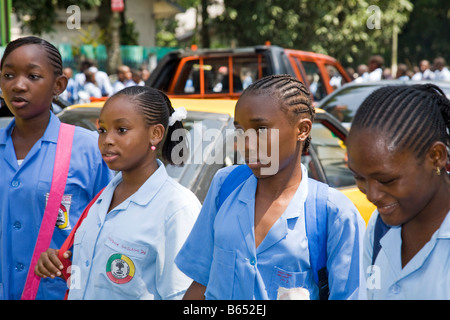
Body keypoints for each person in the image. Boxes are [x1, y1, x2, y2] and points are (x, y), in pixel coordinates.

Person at [175, 74, 366, 300]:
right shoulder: (225, 185)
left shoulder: (334, 213)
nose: (246, 144)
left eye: (261, 130)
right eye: (240, 131)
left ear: (302, 129)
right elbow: (201, 282)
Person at [35, 86, 201, 300]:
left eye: (121, 130)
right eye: (102, 130)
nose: (107, 140)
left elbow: (182, 294)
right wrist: (62, 261)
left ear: (155, 134)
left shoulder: (177, 207)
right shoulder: (102, 198)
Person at [0, 36, 113, 300]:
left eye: (33, 76)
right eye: (8, 75)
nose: (18, 85)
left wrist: (72, 256)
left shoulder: (88, 149)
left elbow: (112, 226)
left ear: (58, 85)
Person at [345, 84, 450, 299]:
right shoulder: (378, 227)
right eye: (359, 178)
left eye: (387, 180)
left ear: (436, 157)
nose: (372, 195)